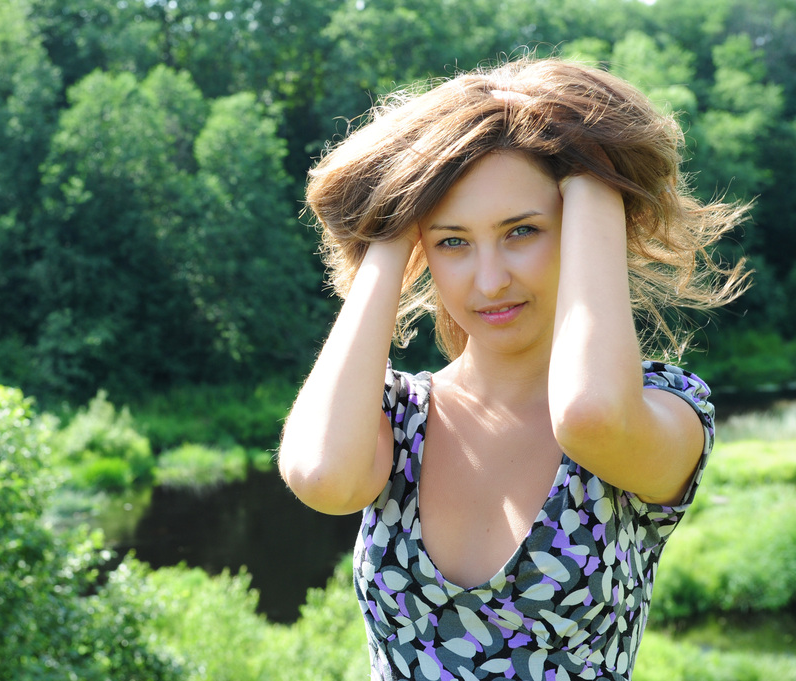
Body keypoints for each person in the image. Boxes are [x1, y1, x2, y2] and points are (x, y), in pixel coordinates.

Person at [277, 56, 749, 681]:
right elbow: (321, 477)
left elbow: (589, 417)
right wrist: (389, 228)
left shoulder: (665, 406)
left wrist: (595, 171)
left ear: (584, 225)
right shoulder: (396, 416)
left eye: (522, 231)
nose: (491, 280)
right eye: (451, 242)